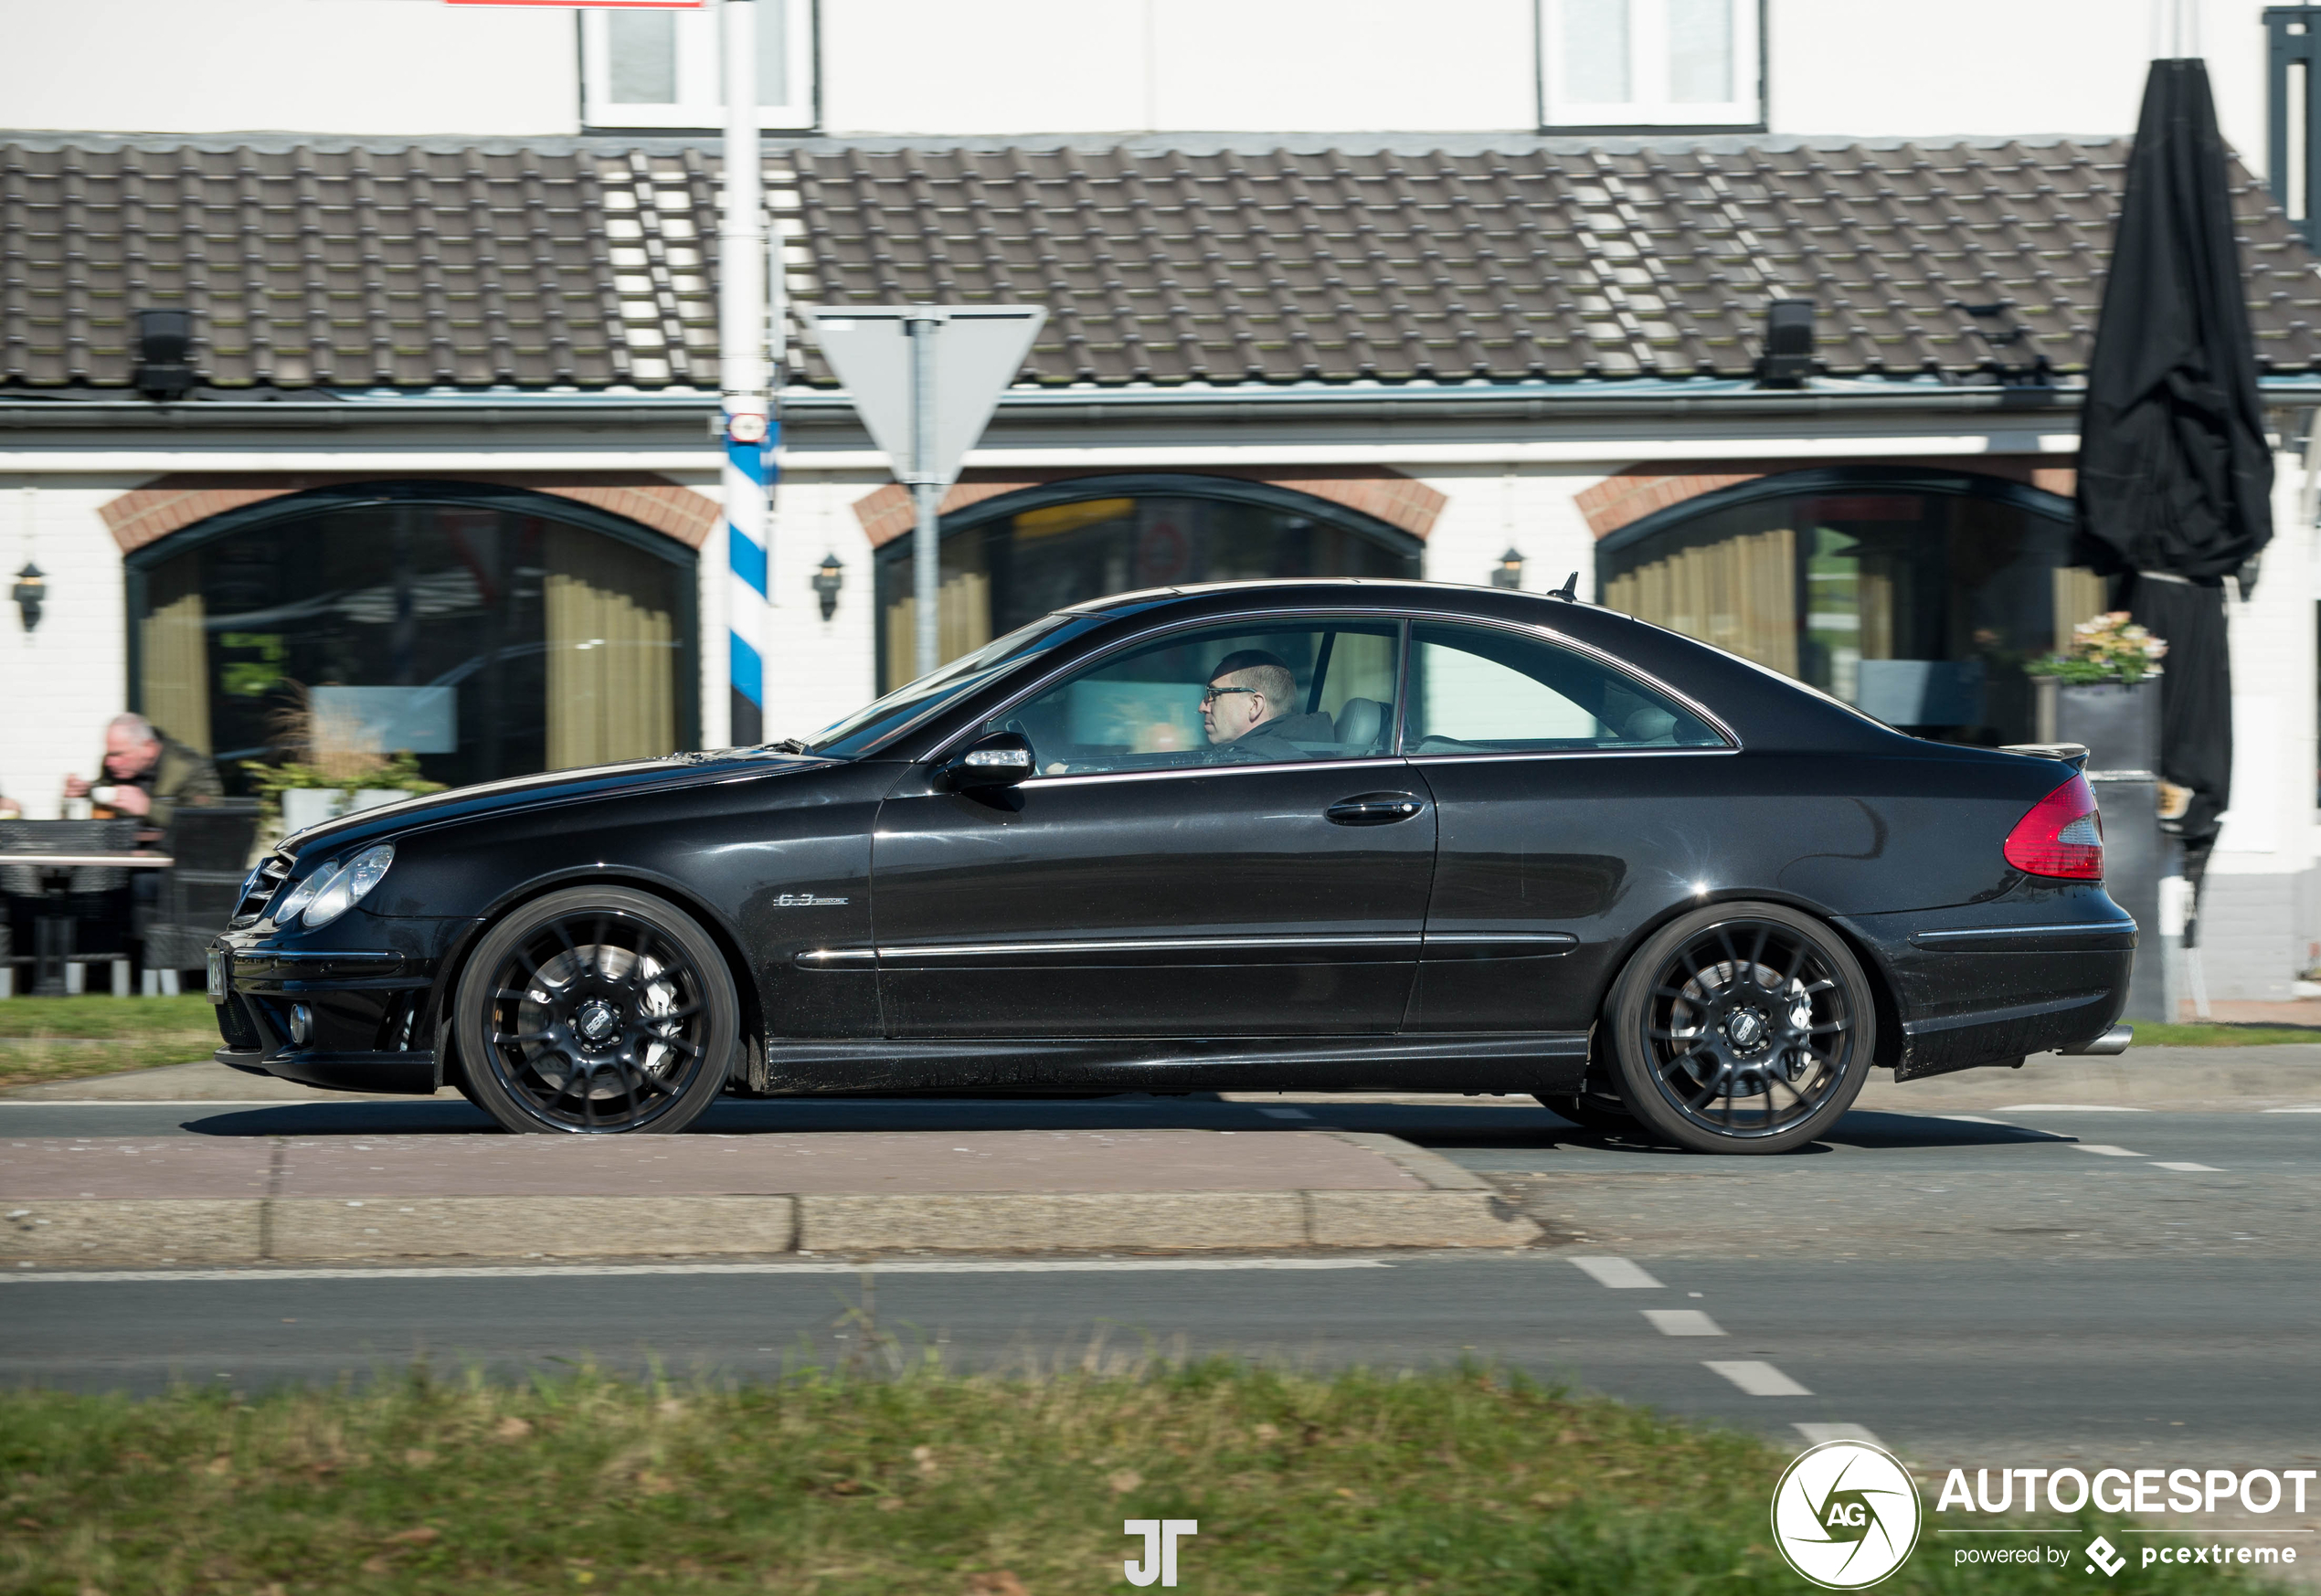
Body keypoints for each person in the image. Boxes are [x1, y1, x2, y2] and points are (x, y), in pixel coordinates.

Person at [63, 713, 221, 846]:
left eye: (119, 754)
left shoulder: (189, 767)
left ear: (148, 748)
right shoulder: (114, 766)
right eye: (109, 754)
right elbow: (107, 792)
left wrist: (147, 808)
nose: (110, 762)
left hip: (175, 861)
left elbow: (207, 823)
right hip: (125, 856)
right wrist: (87, 790)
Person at [1200, 650, 1338, 762]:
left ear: (1255, 705)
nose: (1202, 707)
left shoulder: (1254, 768)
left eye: (1214, 694)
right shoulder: (1288, 759)